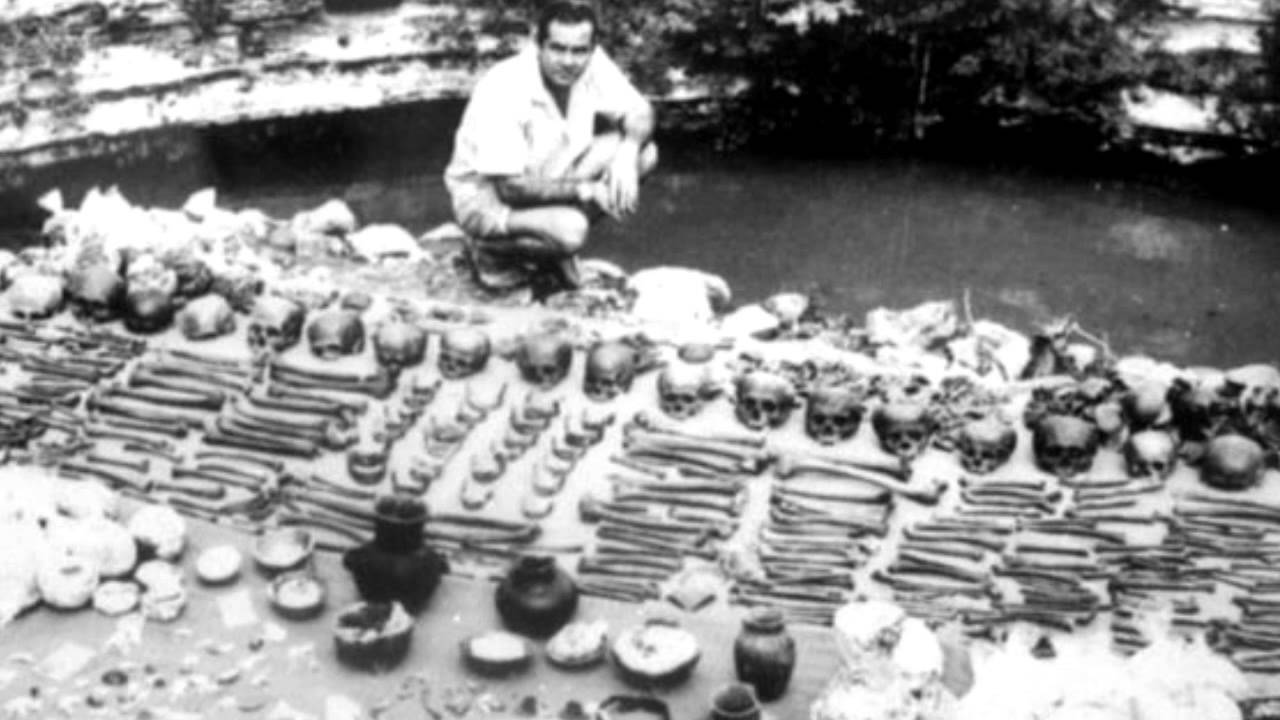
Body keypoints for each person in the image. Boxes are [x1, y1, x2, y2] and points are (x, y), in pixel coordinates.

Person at [444, 0, 657, 297]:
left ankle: (549, 251)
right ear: (538, 44)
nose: (569, 61)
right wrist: (587, 190)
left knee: (645, 155)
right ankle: (489, 252)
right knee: (573, 230)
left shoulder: (591, 63)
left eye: (579, 51)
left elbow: (640, 110)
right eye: (557, 49)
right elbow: (511, 188)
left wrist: (629, 149)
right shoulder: (505, 86)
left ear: (592, 48)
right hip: (489, 200)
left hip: (553, 171)